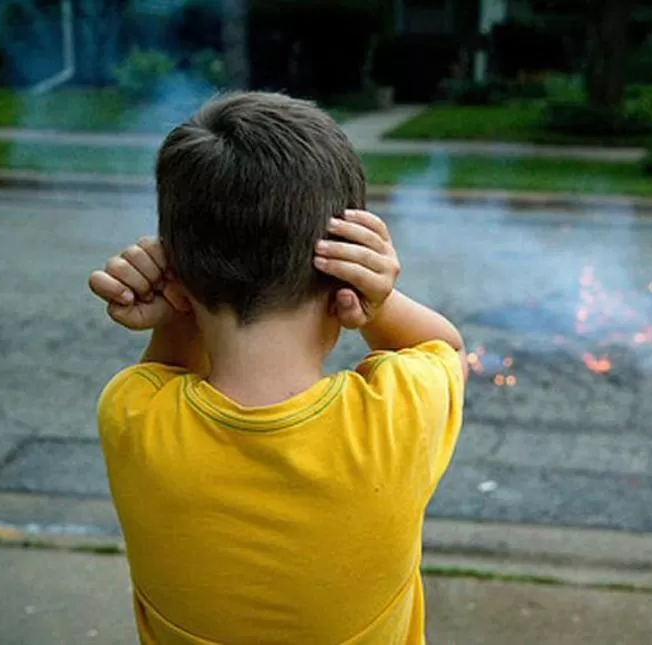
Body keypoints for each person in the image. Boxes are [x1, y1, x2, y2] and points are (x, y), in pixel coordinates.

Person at [88, 92, 468, 644]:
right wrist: (381, 302)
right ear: (344, 278)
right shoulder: (398, 418)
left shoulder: (130, 414)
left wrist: (176, 312)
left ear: (180, 271)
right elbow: (446, 349)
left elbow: (165, 378)